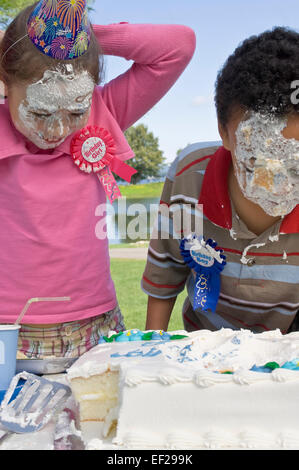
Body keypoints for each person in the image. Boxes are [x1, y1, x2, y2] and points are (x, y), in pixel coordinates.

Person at [0, 0, 196, 358]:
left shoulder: (106, 111)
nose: (56, 129)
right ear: (5, 83)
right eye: (40, 112)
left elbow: (178, 45)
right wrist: (13, 45)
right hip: (7, 329)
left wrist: (86, 39)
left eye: (75, 110)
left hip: (95, 324)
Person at [142, 27, 299, 334]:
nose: (279, 181)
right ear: (224, 132)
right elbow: (164, 277)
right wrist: (149, 351)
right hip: (206, 354)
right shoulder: (189, 177)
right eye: (257, 159)